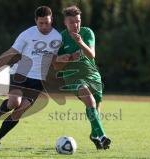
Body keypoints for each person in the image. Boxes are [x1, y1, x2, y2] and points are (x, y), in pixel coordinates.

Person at [0, 6, 62, 149]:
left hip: (38, 79)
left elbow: (54, 60)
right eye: (41, 23)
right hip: (21, 72)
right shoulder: (27, 34)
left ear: (52, 20)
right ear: (36, 20)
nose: (44, 26)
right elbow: (10, 53)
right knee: (13, 103)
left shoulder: (57, 37)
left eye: (47, 23)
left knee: (19, 111)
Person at [56, 6, 111, 150]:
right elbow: (55, 66)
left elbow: (92, 55)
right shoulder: (60, 38)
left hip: (92, 75)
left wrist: (80, 42)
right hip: (73, 77)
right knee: (90, 101)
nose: (76, 25)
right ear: (65, 23)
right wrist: (63, 59)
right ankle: (103, 136)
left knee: (96, 107)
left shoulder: (87, 33)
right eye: (72, 22)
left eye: (78, 21)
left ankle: (94, 135)